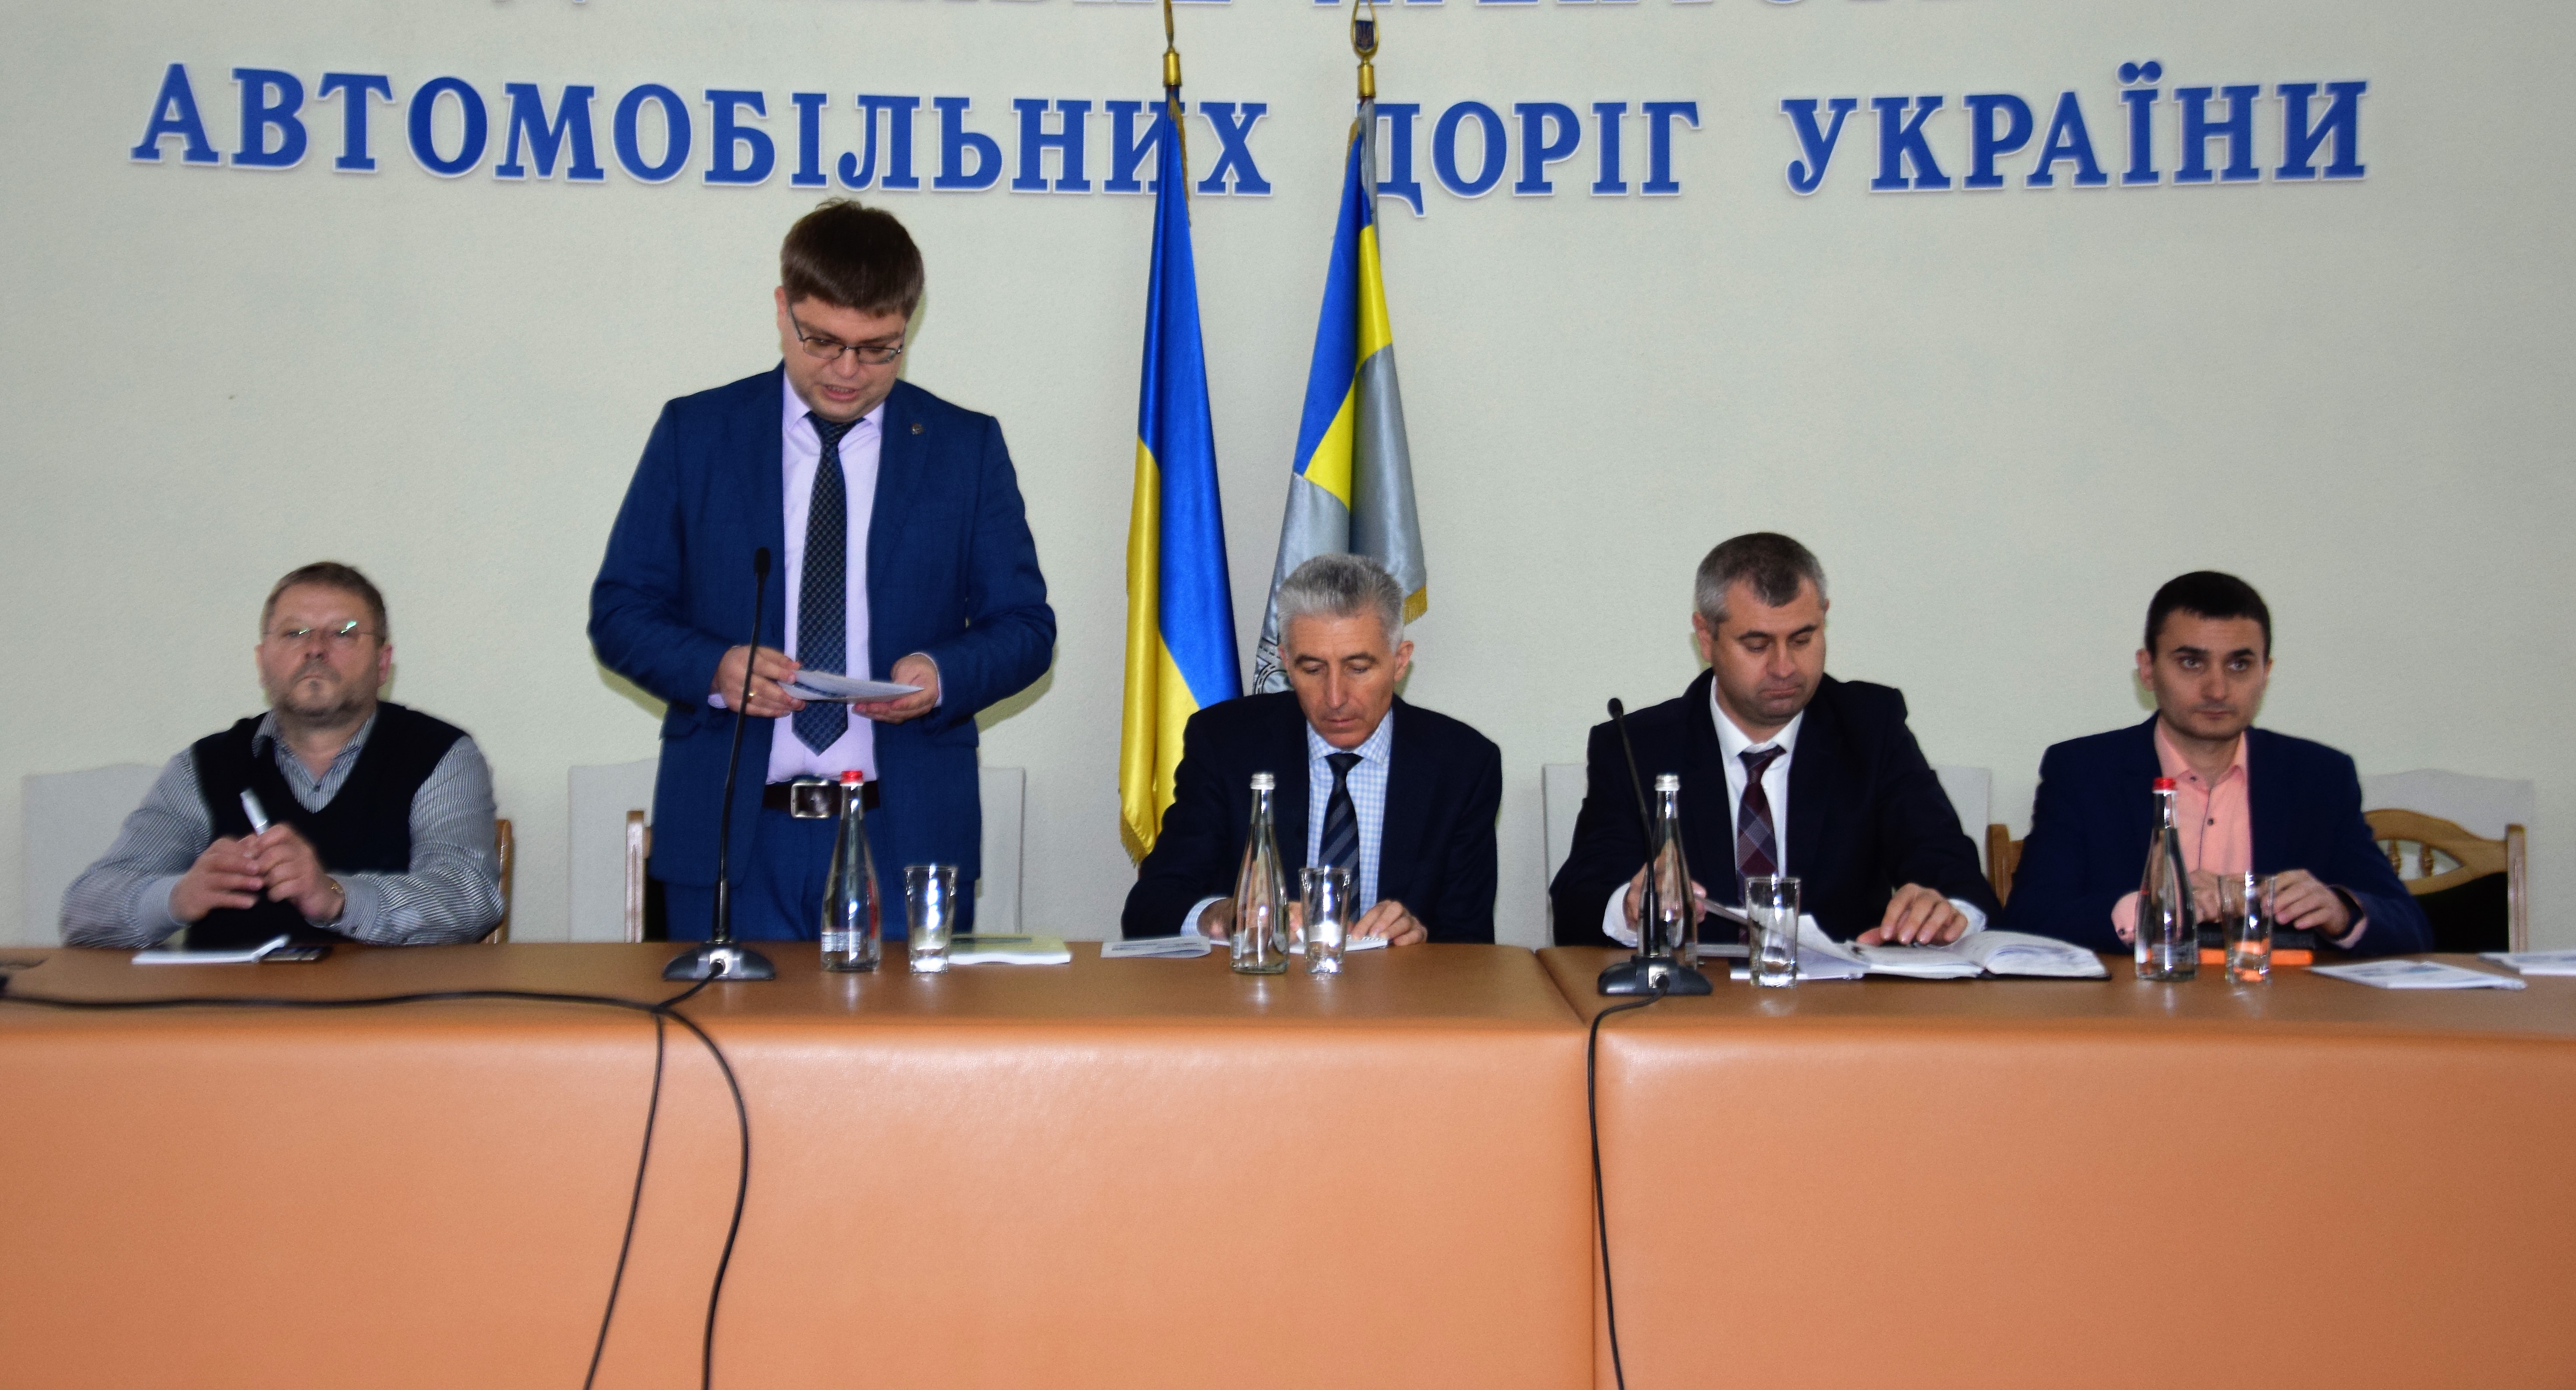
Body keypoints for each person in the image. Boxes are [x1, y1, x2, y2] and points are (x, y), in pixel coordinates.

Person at [591, 199, 1054, 941]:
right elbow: (621, 611)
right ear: (783, 309)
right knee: (721, 1024)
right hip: (732, 843)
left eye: (877, 349)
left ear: (909, 325)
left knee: (903, 1026)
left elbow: (1025, 627)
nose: (846, 370)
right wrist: (714, 667)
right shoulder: (697, 434)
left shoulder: (962, 447)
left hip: (903, 840)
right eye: (823, 341)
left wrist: (942, 673)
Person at [1550, 532, 1997, 948]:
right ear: (1706, 637)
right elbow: (1578, 903)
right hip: (1695, 1001)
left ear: (1823, 617)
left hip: (1842, 1001)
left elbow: (1954, 874)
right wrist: (1631, 907)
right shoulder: (1638, 746)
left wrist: (1946, 912)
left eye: (1802, 639)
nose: (1784, 667)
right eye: (1757, 645)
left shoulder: (1869, 727)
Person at [60, 563, 501, 949]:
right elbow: (84, 910)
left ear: (383, 663)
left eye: (343, 633)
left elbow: (468, 897)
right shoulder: (206, 766)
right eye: (294, 633)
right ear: (262, 661)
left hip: (386, 1014)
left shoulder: (440, 755)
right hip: (226, 1012)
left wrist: (336, 898)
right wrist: (176, 897)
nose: (316, 648)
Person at [2002, 571, 2429, 956]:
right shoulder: (2083, 771)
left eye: (2239, 665)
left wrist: (2341, 912)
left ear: (2266, 673)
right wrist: (2148, 910)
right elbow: (2028, 919)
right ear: (2147, 670)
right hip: (2133, 1006)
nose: (2217, 689)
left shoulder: (2318, 776)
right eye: (2191, 662)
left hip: (2279, 1009)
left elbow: (2410, 926)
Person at [1121, 554, 1499, 944]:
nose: (1335, 698)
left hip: (1400, 984)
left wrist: (1422, 944)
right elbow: (1149, 909)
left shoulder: (1463, 764)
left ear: (1399, 661)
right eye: (1313, 669)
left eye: (1358, 668)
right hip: (1260, 983)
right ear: (1286, 662)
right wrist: (1226, 916)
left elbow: (1471, 944)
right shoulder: (1225, 743)